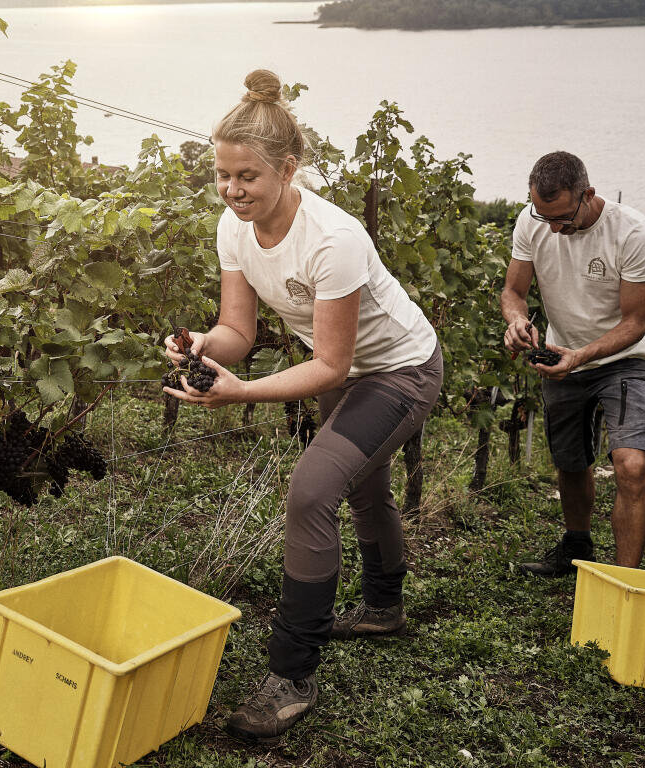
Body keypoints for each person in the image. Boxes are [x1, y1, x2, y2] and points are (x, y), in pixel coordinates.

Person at [163, 70, 443, 740]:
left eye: (247, 178)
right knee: (363, 490)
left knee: (312, 489)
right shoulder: (234, 228)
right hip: (348, 373)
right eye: (222, 176)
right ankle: (383, 609)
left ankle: (291, 673)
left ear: (287, 169)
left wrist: (241, 392)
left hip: (400, 369)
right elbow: (240, 330)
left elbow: (331, 364)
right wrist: (205, 346)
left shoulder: (332, 238)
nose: (232, 191)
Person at [500, 151, 645, 576]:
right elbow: (513, 292)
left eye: (562, 217)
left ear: (587, 194)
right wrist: (517, 321)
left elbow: (635, 323)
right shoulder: (531, 221)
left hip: (624, 360)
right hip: (563, 358)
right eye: (544, 216)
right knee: (571, 462)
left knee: (632, 464)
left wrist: (581, 356)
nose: (554, 228)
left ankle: (623, 580)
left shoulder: (633, 233)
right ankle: (576, 551)